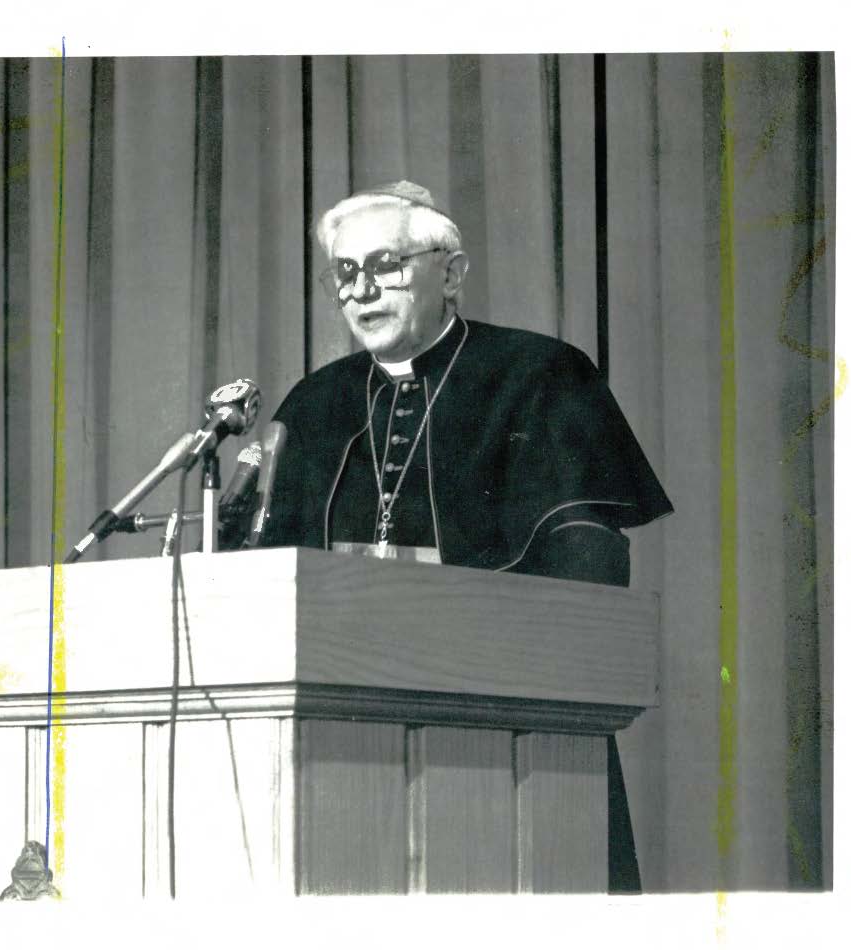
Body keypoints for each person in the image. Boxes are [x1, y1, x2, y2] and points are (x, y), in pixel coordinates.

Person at [261, 181, 673, 892]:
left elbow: (587, 562)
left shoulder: (539, 374)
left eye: (385, 265)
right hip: (341, 734)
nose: (361, 291)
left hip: (514, 728)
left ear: (450, 275)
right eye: (345, 272)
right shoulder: (315, 401)